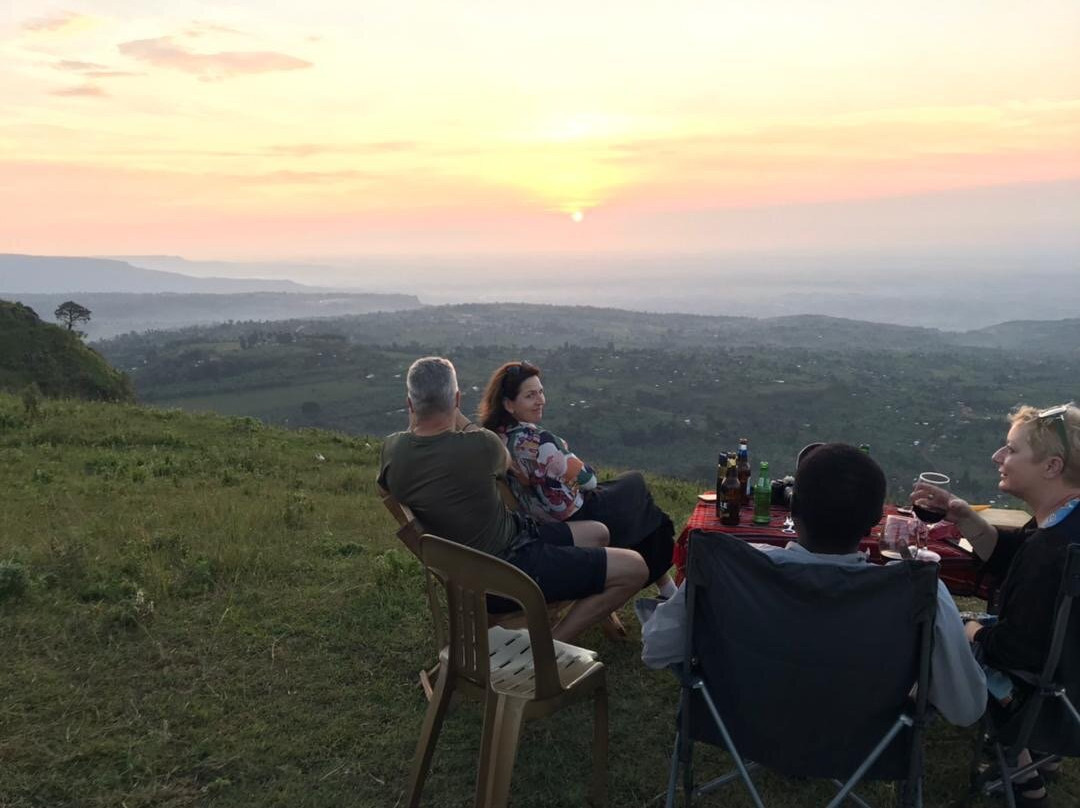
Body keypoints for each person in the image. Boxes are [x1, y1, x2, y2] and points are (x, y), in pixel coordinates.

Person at [642, 443, 987, 727]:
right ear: (873, 524)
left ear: (791, 506)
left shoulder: (727, 569)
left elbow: (657, 648)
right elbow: (966, 709)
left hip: (742, 725)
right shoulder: (920, 593)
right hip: (862, 741)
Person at [378, 356, 648, 642]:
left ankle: (570, 603)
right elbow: (505, 459)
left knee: (598, 532)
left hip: (488, 559)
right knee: (635, 568)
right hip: (509, 572)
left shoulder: (392, 451)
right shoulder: (479, 446)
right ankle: (552, 645)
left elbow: (387, 483)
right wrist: (460, 418)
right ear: (456, 399)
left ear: (410, 404)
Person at [911, 403, 1080, 805]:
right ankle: (1038, 760)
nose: (998, 458)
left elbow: (1016, 647)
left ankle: (1025, 782)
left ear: (1052, 466)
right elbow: (1013, 555)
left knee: (936, 630)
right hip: (1072, 682)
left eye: (1012, 450)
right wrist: (963, 514)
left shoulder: (1053, 550)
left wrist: (970, 630)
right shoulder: (1066, 522)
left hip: (1041, 693)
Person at [477, 360, 677, 598]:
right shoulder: (540, 442)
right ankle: (669, 591)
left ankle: (668, 591)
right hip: (576, 514)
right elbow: (589, 480)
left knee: (643, 513)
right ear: (509, 404)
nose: (540, 400)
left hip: (544, 514)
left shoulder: (497, 439)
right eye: (530, 395)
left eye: (540, 392)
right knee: (637, 487)